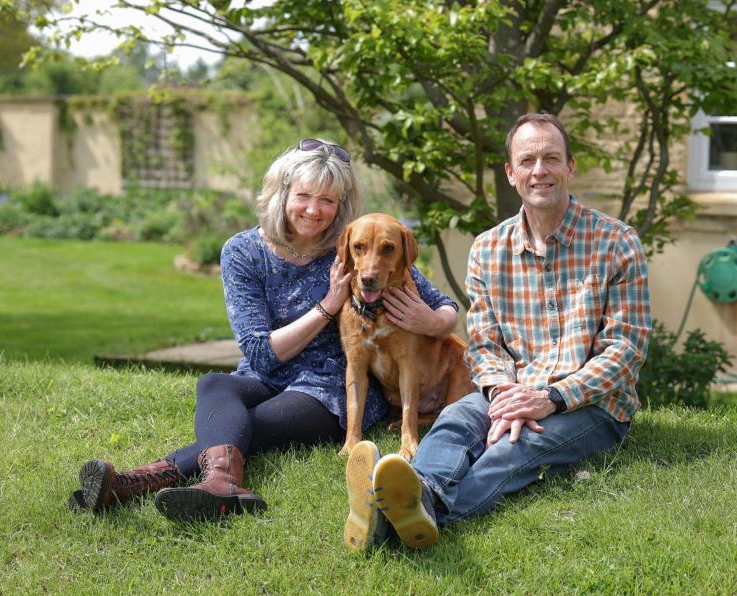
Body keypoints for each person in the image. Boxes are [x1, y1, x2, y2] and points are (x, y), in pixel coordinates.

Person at [68, 139, 460, 521]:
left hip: (326, 388)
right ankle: (220, 485)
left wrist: (430, 321)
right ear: (281, 193)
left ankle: (130, 483)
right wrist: (328, 306)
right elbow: (260, 354)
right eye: (305, 196)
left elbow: (445, 307)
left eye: (328, 200)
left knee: (247, 426)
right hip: (265, 372)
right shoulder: (244, 252)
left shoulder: (354, 247)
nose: (315, 210)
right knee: (213, 386)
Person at [344, 113, 652, 550]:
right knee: (453, 422)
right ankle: (416, 493)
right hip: (508, 390)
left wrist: (550, 399)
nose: (539, 171)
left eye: (551, 159)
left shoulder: (617, 243)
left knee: (515, 449)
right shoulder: (488, 249)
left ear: (570, 167)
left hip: (592, 404)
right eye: (527, 161)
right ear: (511, 173)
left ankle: (408, 517)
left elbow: (626, 350)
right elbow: (484, 344)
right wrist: (505, 394)